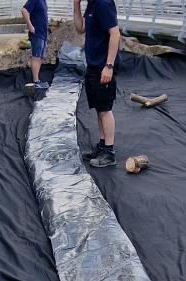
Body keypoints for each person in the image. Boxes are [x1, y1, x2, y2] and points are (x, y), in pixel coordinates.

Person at [74, 0, 121, 168]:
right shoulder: (92, 4)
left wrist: (109, 66)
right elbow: (80, 28)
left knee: (105, 110)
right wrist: (76, 5)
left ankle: (109, 152)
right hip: (93, 66)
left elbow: (115, 34)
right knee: (99, 109)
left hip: (103, 67)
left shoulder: (103, 3)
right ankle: (102, 146)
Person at [22, 0, 49, 89]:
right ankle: (36, 81)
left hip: (43, 34)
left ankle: (37, 80)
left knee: (40, 57)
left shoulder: (43, 1)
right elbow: (24, 10)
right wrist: (30, 26)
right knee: (36, 56)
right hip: (36, 33)